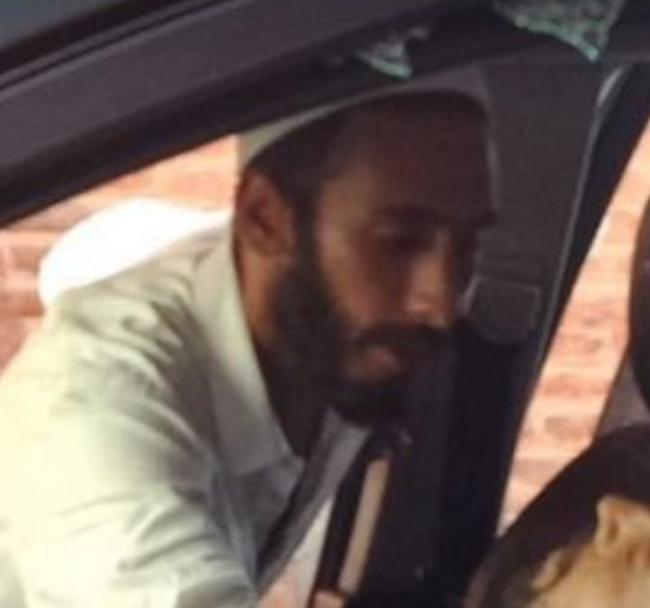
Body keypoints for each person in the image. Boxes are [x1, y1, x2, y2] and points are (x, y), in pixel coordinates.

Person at [0, 91, 496, 607]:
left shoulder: (322, 325)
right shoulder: (97, 424)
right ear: (265, 219)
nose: (440, 306)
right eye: (398, 241)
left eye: (469, 245)